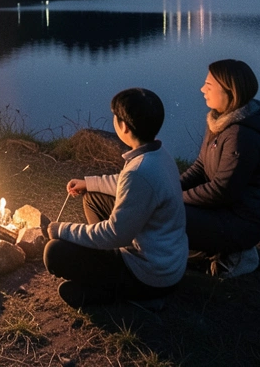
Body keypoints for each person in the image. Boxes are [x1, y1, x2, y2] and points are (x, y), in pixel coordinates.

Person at [43, 88, 187, 308]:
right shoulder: (158, 154)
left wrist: (60, 229)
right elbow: (127, 184)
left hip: (151, 275)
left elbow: (114, 233)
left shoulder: (140, 172)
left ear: (124, 127)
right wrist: (89, 183)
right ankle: (107, 273)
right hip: (168, 263)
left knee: (54, 252)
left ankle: (130, 296)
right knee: (93, 198)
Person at [181, 59, 260, 278]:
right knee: (162, 209)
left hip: (241, 222)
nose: (202, 89)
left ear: (230, 91)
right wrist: (169, 187)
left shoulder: (241, 136)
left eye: (209, 86)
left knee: (166, 213)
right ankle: (204, 252)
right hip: (220, 212)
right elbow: (200, 168)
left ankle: (236, 254)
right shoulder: (218, 122)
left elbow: (221, 191)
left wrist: (175, 198)